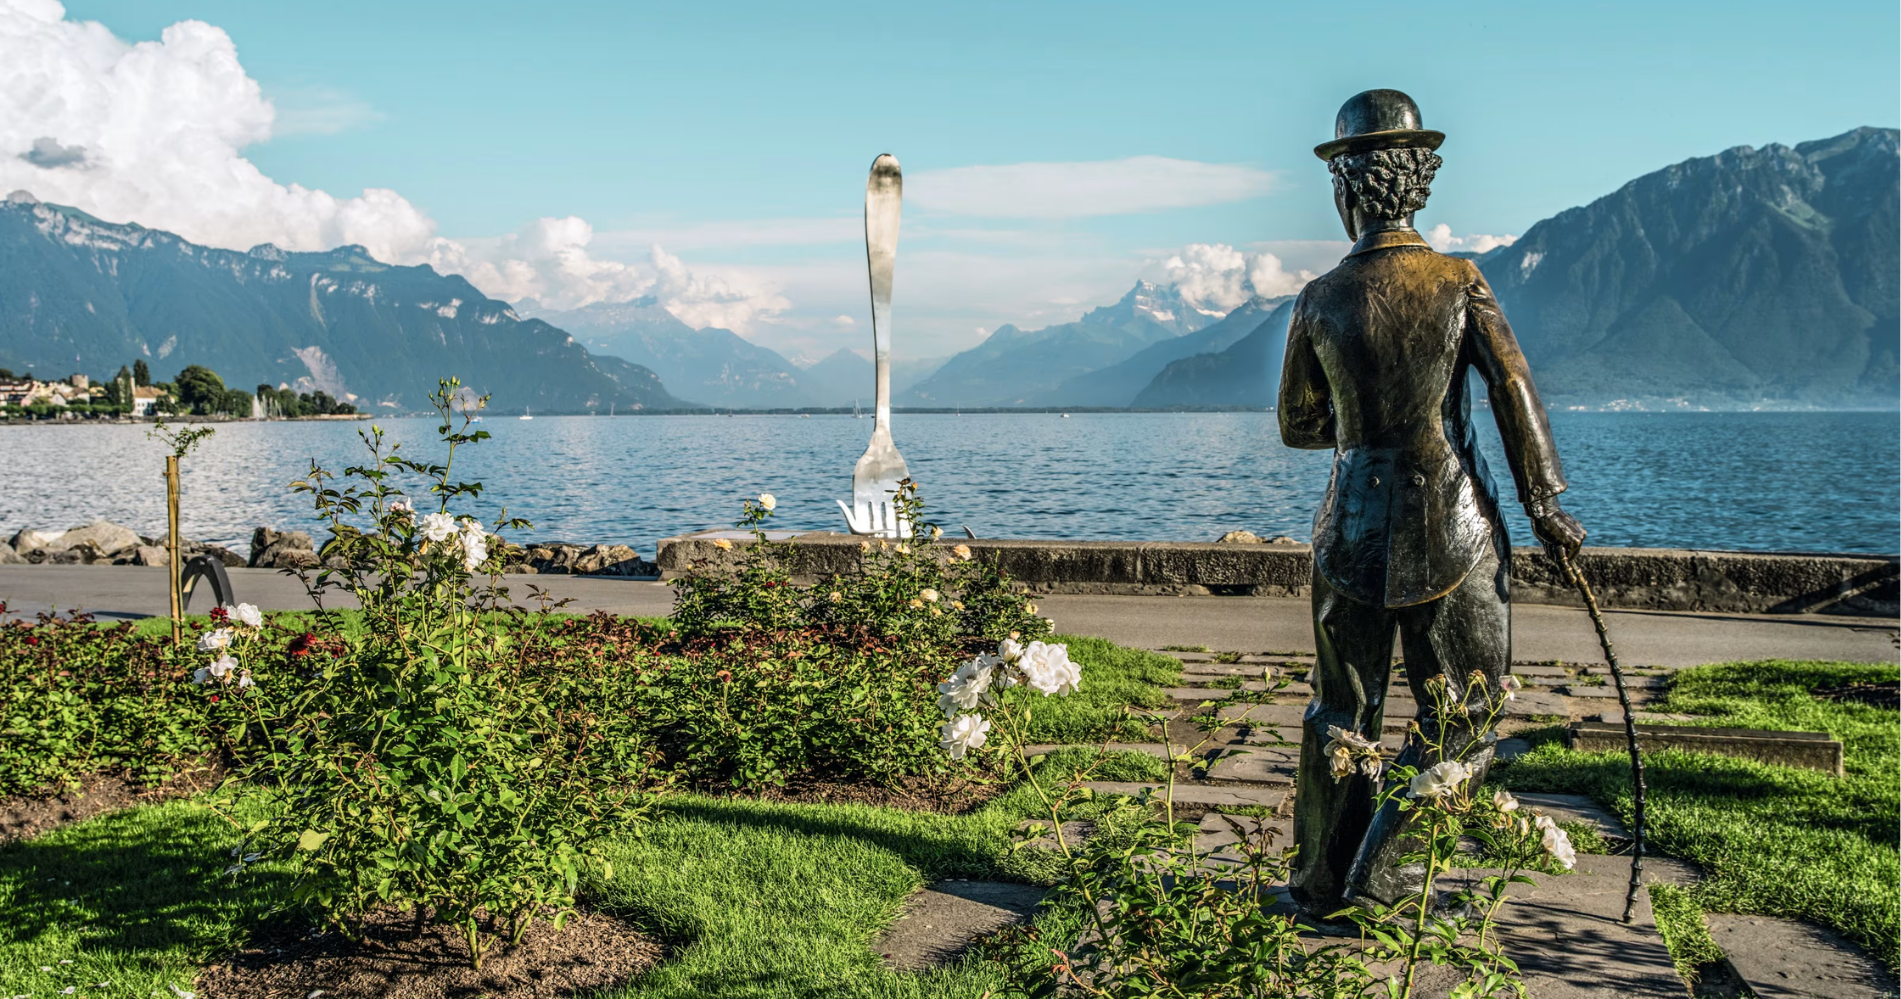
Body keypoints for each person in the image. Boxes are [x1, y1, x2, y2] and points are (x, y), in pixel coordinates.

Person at [1279, 88, 1587, 923]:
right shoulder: (1457, 280)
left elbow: (1296, 424)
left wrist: (1361, 430)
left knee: (1339, 708)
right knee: (1465, 712)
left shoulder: (1317, 297)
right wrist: (1543, 504)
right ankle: (1381, 875)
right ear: (1418, 182)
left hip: (1348, 524)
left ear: (1346, 188)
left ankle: (1318, 879)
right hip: (1452, 523)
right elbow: (1512, 389)